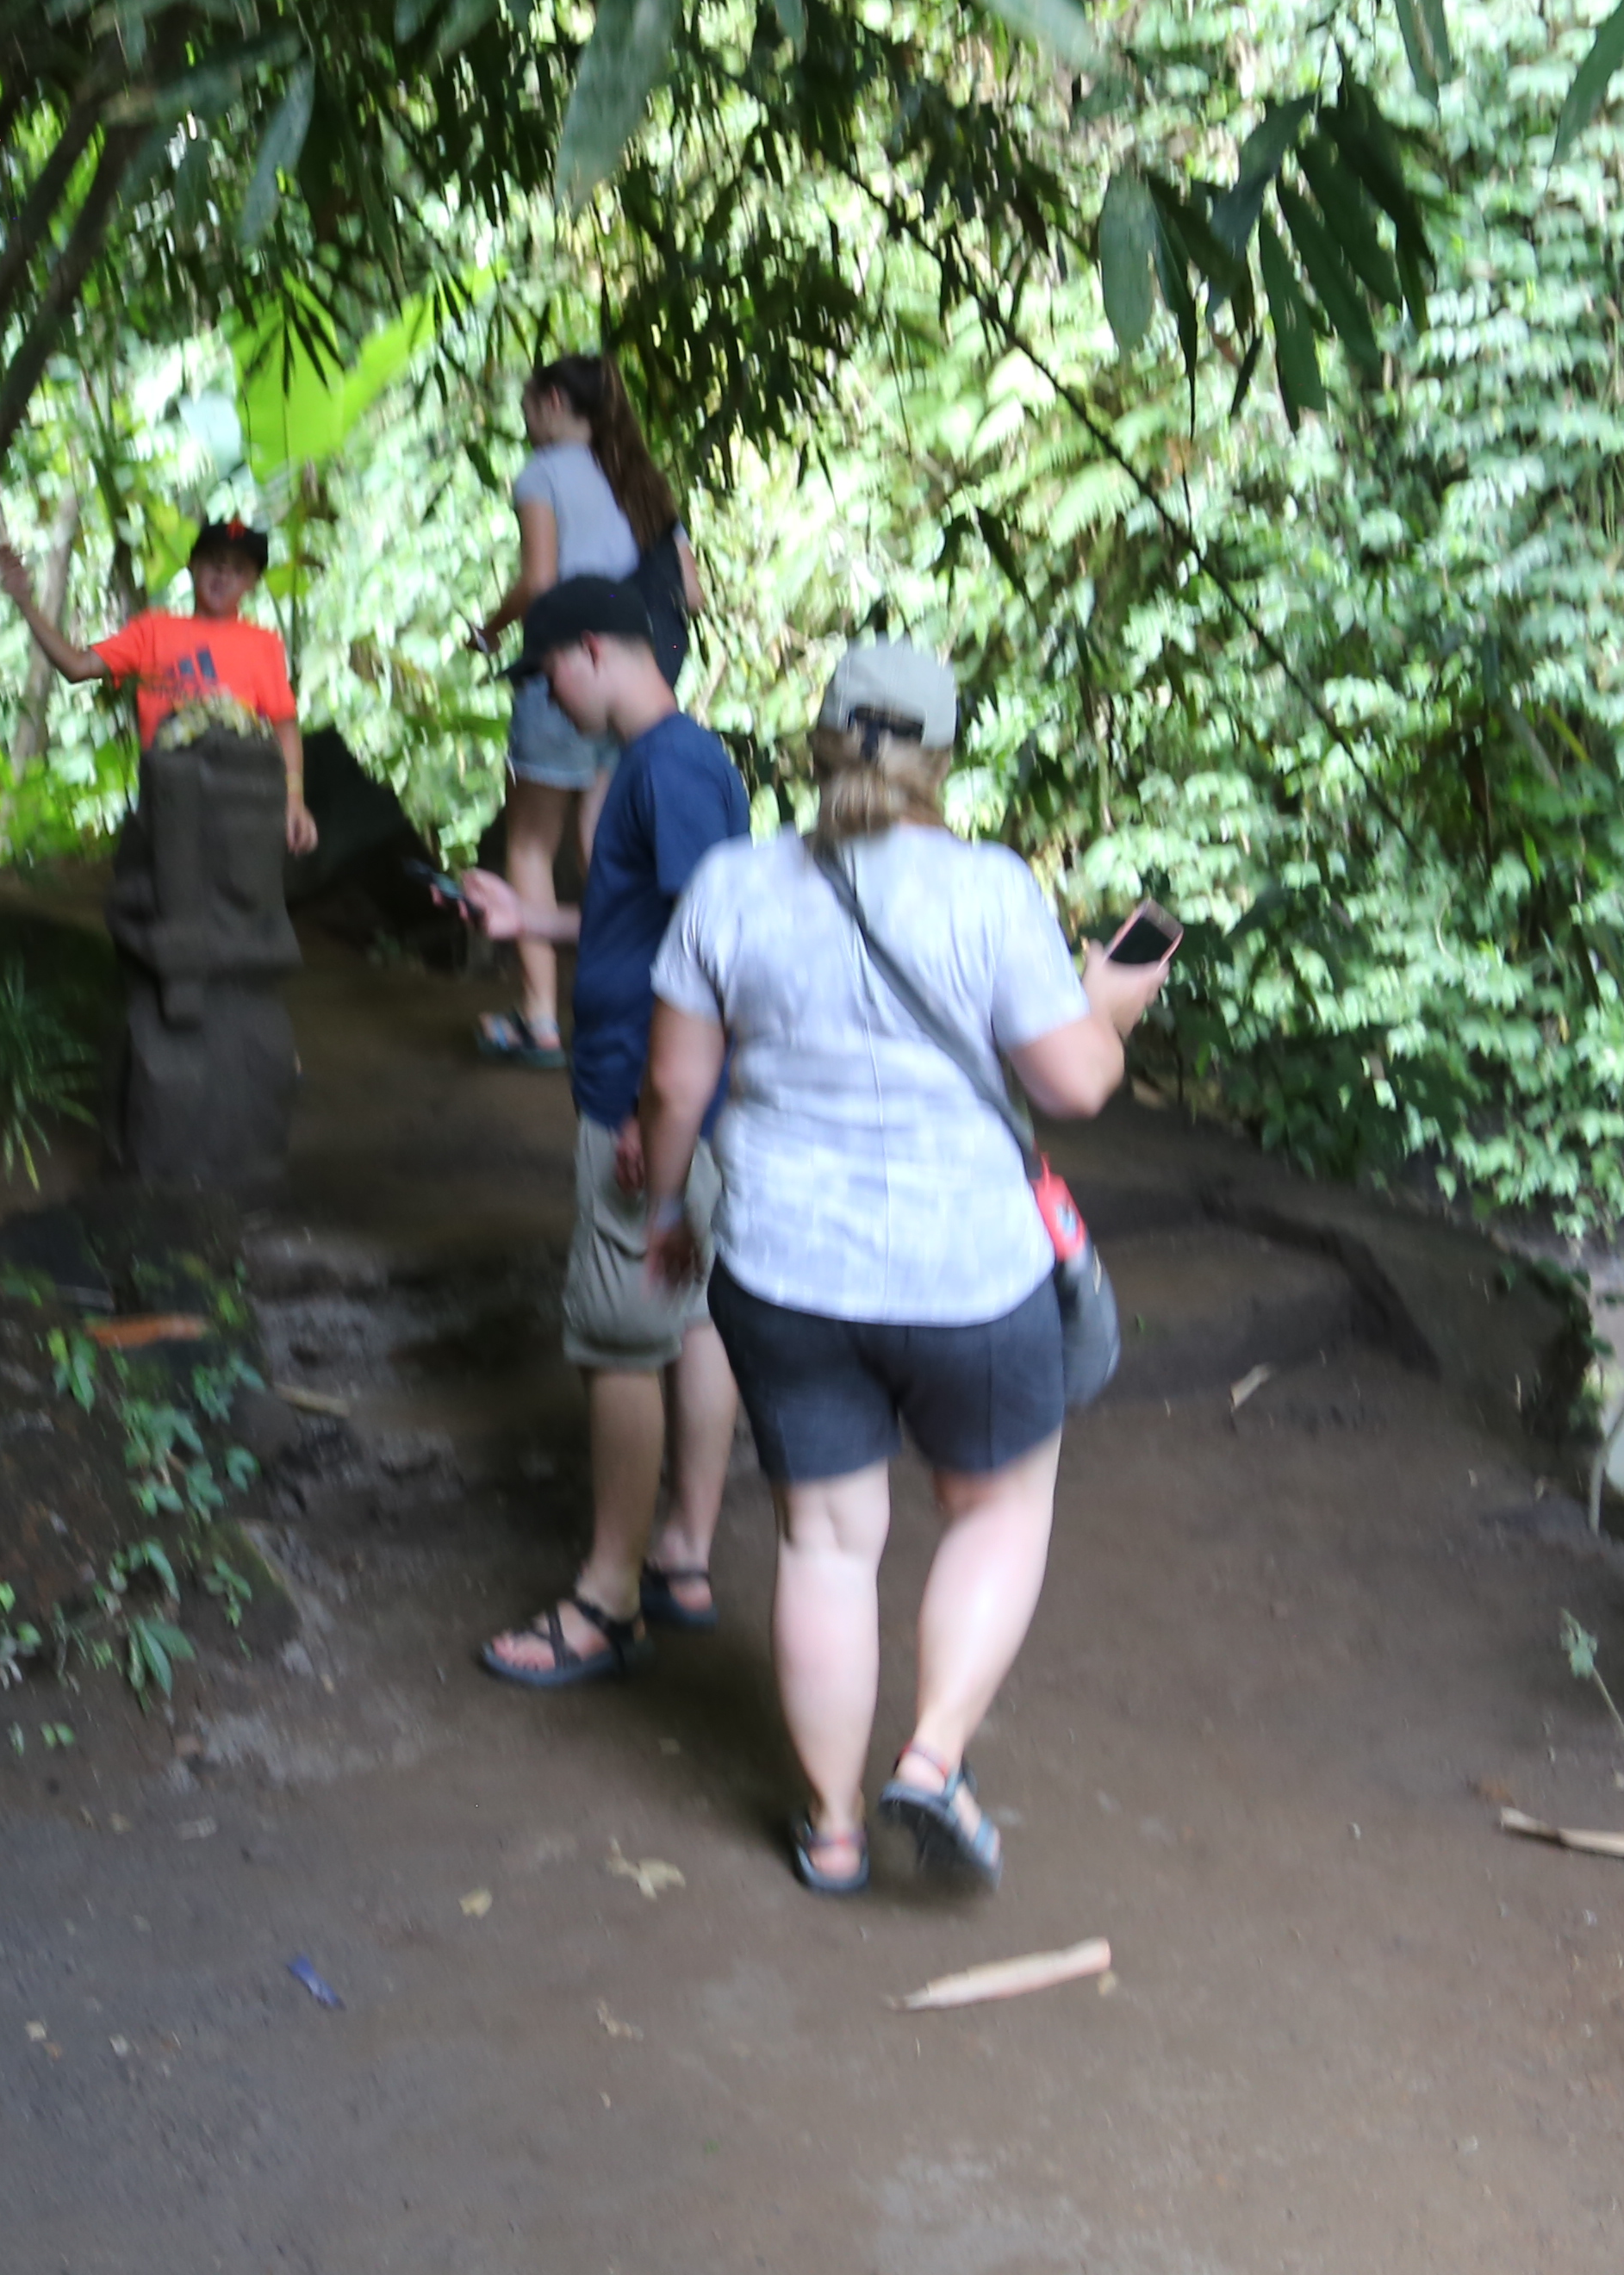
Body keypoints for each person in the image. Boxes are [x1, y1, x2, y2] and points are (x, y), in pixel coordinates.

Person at [625, 637, 1166, 1894]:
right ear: (942, 759)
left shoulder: (733, 886)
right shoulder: (988, 893)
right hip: (968, 1276)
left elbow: (670, 1083)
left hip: (782, 1268)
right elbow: (1075, 1083)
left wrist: (664, 1213)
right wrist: (1109, 1005)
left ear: (818, 745)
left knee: (824, 1541)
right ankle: (930, 1756)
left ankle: (828, 1830)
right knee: (995, 1508)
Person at [449, 572, 747, 1688]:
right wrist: (536, 917)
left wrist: (647, 1111)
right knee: (695, 1316)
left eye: (545, 676)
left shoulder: (662, 767)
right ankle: (683, 1555)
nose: (548, 701)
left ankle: (604, 1598)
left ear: (588, 652)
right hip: (688, 1100)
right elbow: (650, 916)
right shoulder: (686, 764)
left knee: (622, 1337)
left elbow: (706, 944)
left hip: (648, 1093)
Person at [460, 352, 703, 1065]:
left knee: (531, 841)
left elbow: (539, 580)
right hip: (630, 679)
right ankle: (623, 1000)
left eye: (529, 400)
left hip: (566, 670)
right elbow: (690, 596)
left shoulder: (543, 474)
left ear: (554, 401)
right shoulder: (639, 479)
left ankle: (539, 1020)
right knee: (602, 842)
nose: (524, 414)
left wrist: (490, 629)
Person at [0, 519, 319, 857]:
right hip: (167, 799)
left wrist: (294, 800)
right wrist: (26, 604)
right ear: (193, 565)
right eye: (214, 563)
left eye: (238, 569)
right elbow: (77, 667)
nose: (223, 577)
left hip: (237, 801)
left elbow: (284, 723)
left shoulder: (262, 644)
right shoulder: (153, 630)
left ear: (252, 582)